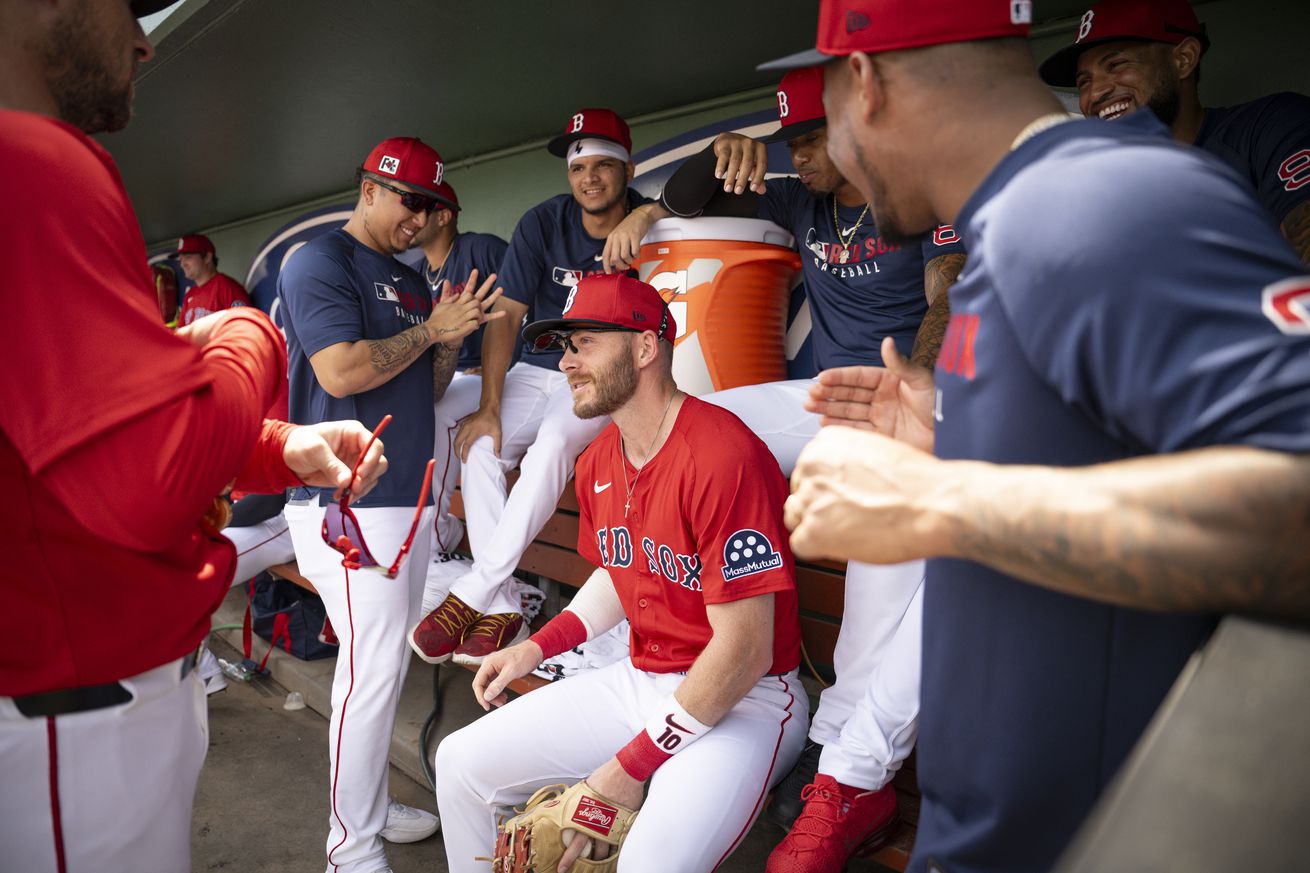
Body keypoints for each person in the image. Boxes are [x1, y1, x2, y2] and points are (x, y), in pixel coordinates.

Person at [766, 2, 1310, 872]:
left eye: (822, 113)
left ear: (863, 83)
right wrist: (951, 445)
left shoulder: (1105, 199)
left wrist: (946, 497)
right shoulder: (1011, 225)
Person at [0, 1, 388, 870]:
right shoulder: (29, 158)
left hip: (77, 699)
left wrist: (276, 444)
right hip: (71, 714)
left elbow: (82, 420)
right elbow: (151, 477)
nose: (141, 39)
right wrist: (253, 332)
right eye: (125, 5)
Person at [603, 65, 965, 873]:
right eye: (789, 142)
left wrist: (917, 378)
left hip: (892, 391)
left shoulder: (910, 189)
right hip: (819, 393)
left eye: (813, 140)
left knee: (874, 490)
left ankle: (838, 755)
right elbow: (694, 198)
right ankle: (644, 634)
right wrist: (713, 165)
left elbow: (948, 288)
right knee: (703, 429)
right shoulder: (799, 198)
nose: (799, 157)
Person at [434, 273, 808, 873]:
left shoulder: (722, 454)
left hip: (746, 699)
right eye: (565, 346)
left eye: (584, 342)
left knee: (648, 865)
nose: (566, 363)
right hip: (642, 678)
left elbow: (744, 650)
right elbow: (620, 570)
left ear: (644, 347)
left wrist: (626, 770)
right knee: (460, 764)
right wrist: (535, 647)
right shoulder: (602, 456)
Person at [277, 134, 504, 872]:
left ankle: (365, 806)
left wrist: (445, 341)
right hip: (345, 498)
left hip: (399, 497)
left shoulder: (407, 278)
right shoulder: (319, 259)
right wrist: (429, 329)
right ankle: (353, 845)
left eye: (432, 207)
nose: (420, 218)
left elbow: (422, 388)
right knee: (372, 673)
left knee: (378, 670)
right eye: (411, 201)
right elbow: (341, 372)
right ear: (369, 187)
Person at [410, 108, 652, 666]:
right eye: (577, 168)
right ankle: (504, 603)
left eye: (602, 165)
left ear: (628, 169)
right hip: (538, 368)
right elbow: (508, 315)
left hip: (599, 376)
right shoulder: (544, 222)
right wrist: (491, 405)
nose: (588, 178)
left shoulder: (650, 222)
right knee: (479, 445)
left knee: (550, 448)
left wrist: (652, 213)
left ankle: (477, 590)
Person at [1038, 0, 1310, 265]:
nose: (1095, 93)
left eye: (1116, 65)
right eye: (1084, 81)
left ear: (1183, 59)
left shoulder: (1268, 126)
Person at [393, 180, 511, 610]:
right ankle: (428, 535)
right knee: (418, 406)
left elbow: (519, 309)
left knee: (438, 408)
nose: (414, 217)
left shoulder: (480, 249)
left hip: (499, 377)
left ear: (444, 215)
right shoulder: (416, 273)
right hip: (453, 380)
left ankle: (437, 538)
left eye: (424, 207)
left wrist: (499, 364)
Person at [175, 232, 255, 324]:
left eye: (188, 258)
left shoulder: (228, 288)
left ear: (207, 257)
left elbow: (245, 327)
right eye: (181, 259)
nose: (183, 264)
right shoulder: (190, 295)